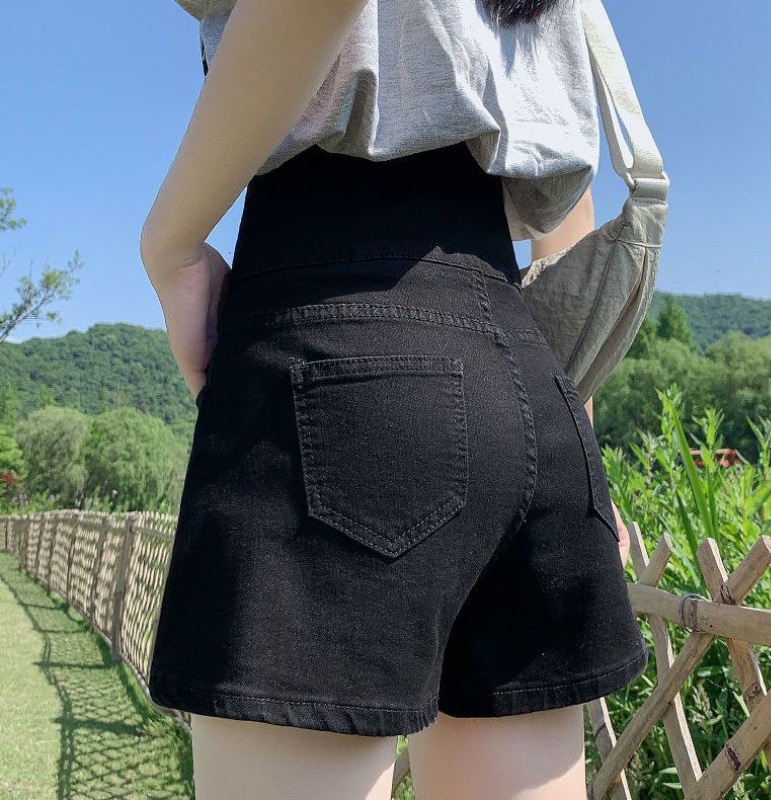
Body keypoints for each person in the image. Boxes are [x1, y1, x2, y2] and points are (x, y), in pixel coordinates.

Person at [140, 0, 649, 796]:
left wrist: (169, 241)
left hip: (337, 345)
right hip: (531, 374)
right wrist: (575, 439)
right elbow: (568, 219)